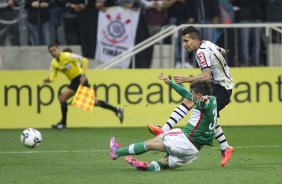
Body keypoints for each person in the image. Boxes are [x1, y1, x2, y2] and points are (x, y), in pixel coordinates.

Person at [147, 26, 234, 167]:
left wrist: (185, 79)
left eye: (186, 40)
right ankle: (164, 129)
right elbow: (223, 51)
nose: (184, 44)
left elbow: (206, 76)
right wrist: (222, 55)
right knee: (190, 101)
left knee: (205, 112)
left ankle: (225, 147)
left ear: (195, 39)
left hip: (222, 88)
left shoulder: (201, 52)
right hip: (219, 86)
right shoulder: (207, 43)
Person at [110, 74, 217, 171]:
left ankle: (117, 152)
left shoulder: (203, 102)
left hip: (185, 141)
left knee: (150, 144)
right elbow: (185, 93)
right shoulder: (213, 100)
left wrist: (203, 102)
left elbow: (203, 104)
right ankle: (149, 167)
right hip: (194, 152)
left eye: (193, 93)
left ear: (198, 95)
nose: (191, 95)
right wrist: (169, 82)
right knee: (164, 162)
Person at [43, 44, 124, 129]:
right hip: (74, 82)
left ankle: (117, 110)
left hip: (81, 79)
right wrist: (49, 80)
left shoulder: (67, 55)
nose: (53, 52)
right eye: (51, 51)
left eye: (54, 50)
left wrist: (83, 75)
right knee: (62, 98)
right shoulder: (54, 63)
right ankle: (63, 123)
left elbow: (84, 60)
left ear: (58, 49)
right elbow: (53, 77)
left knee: (94, 102)